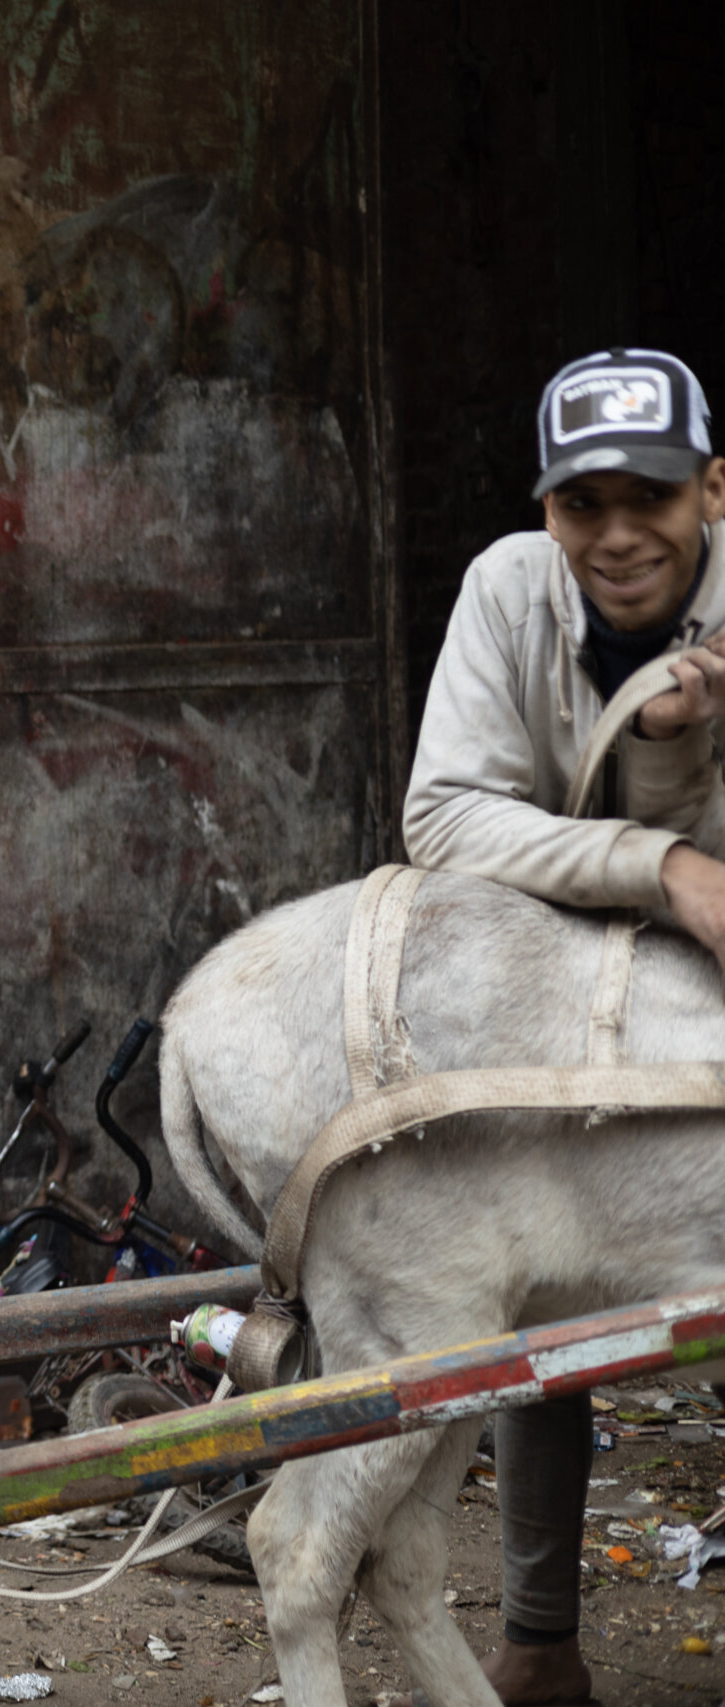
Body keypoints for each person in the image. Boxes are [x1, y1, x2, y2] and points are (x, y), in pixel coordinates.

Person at [403, 345, 725, 1706]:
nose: (615, 533)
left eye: (646, 495)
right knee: (541, 1281)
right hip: (565, 991)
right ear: (546, 511)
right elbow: (442, 817)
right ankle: (538, 1633)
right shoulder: (506, 590)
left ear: (714, 487)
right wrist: (661, 865)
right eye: (580, 502)